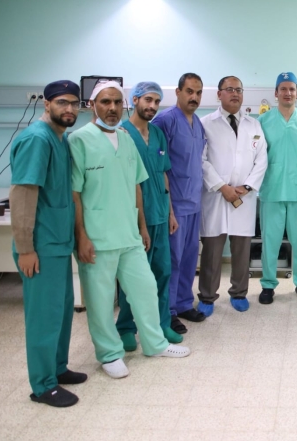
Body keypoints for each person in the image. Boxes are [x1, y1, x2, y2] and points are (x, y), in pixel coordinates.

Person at [70, 81, 190, 379]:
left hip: (130, 234)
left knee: (146, 288)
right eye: (105, 102)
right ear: (92, 105)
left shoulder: (125, 140)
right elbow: (74, 194)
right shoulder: (79, 140)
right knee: (99, 300)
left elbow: (137, 184)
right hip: (97, 237)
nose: (112, 108)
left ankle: (154, 343)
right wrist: (81, 235)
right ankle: (109, 353)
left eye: (116, 102)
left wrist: (142, 227)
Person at [9, 80, 87, 407]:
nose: (69, 109)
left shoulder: (60, 138)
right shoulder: (37, 140)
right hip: (40, 247)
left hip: (58, 243)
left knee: (61, 312)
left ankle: (57, 368)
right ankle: (43, 386)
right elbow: (23, 195)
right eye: (62, 103)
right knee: (44, 317)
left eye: (74, 103)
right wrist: (26, 248)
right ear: (46, 103)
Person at [115, 82, 183, 352]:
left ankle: (162, 323)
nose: (152, 106)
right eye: (148, 100)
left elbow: (164, 174)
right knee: (132, 276)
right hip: (133, 217)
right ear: (134, 100)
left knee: (162, 272)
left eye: (156, 101)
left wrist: (171, 212)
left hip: (160, 214)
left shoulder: (157, 134)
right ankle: (126, 327)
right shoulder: (121, 134)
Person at [199, 75, 267, 312]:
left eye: (239, 90)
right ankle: (207, 297)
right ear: (219, 94)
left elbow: (262, 159)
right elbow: (201, 160)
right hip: (216, 195)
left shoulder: (253, 125)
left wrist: (247, 187)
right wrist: (222, 186)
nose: (235, 94)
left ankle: (239, 293)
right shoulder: (205, 123)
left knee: (241, 250)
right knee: (212, 250)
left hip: (243, 197)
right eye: (230, 89)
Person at [152, 73, 206, 333]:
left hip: (194, 203)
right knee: (171, 260)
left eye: (198, 92)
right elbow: (159, 168)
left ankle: (184, 303)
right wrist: (169, 211)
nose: (194, 97)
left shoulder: (198, 123)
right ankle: (168, 310)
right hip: (174, 206)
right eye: (189, 91)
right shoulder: (165, 121)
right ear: (178, 92)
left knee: (189, 258)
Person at [257, 72, 297, 304]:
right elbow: (256, 155)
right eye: (283, 88)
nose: (288, 93)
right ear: (276, 93)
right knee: (270, 239)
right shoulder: (262, 121)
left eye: (292, 89)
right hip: (271, 188)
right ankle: (268, 284)